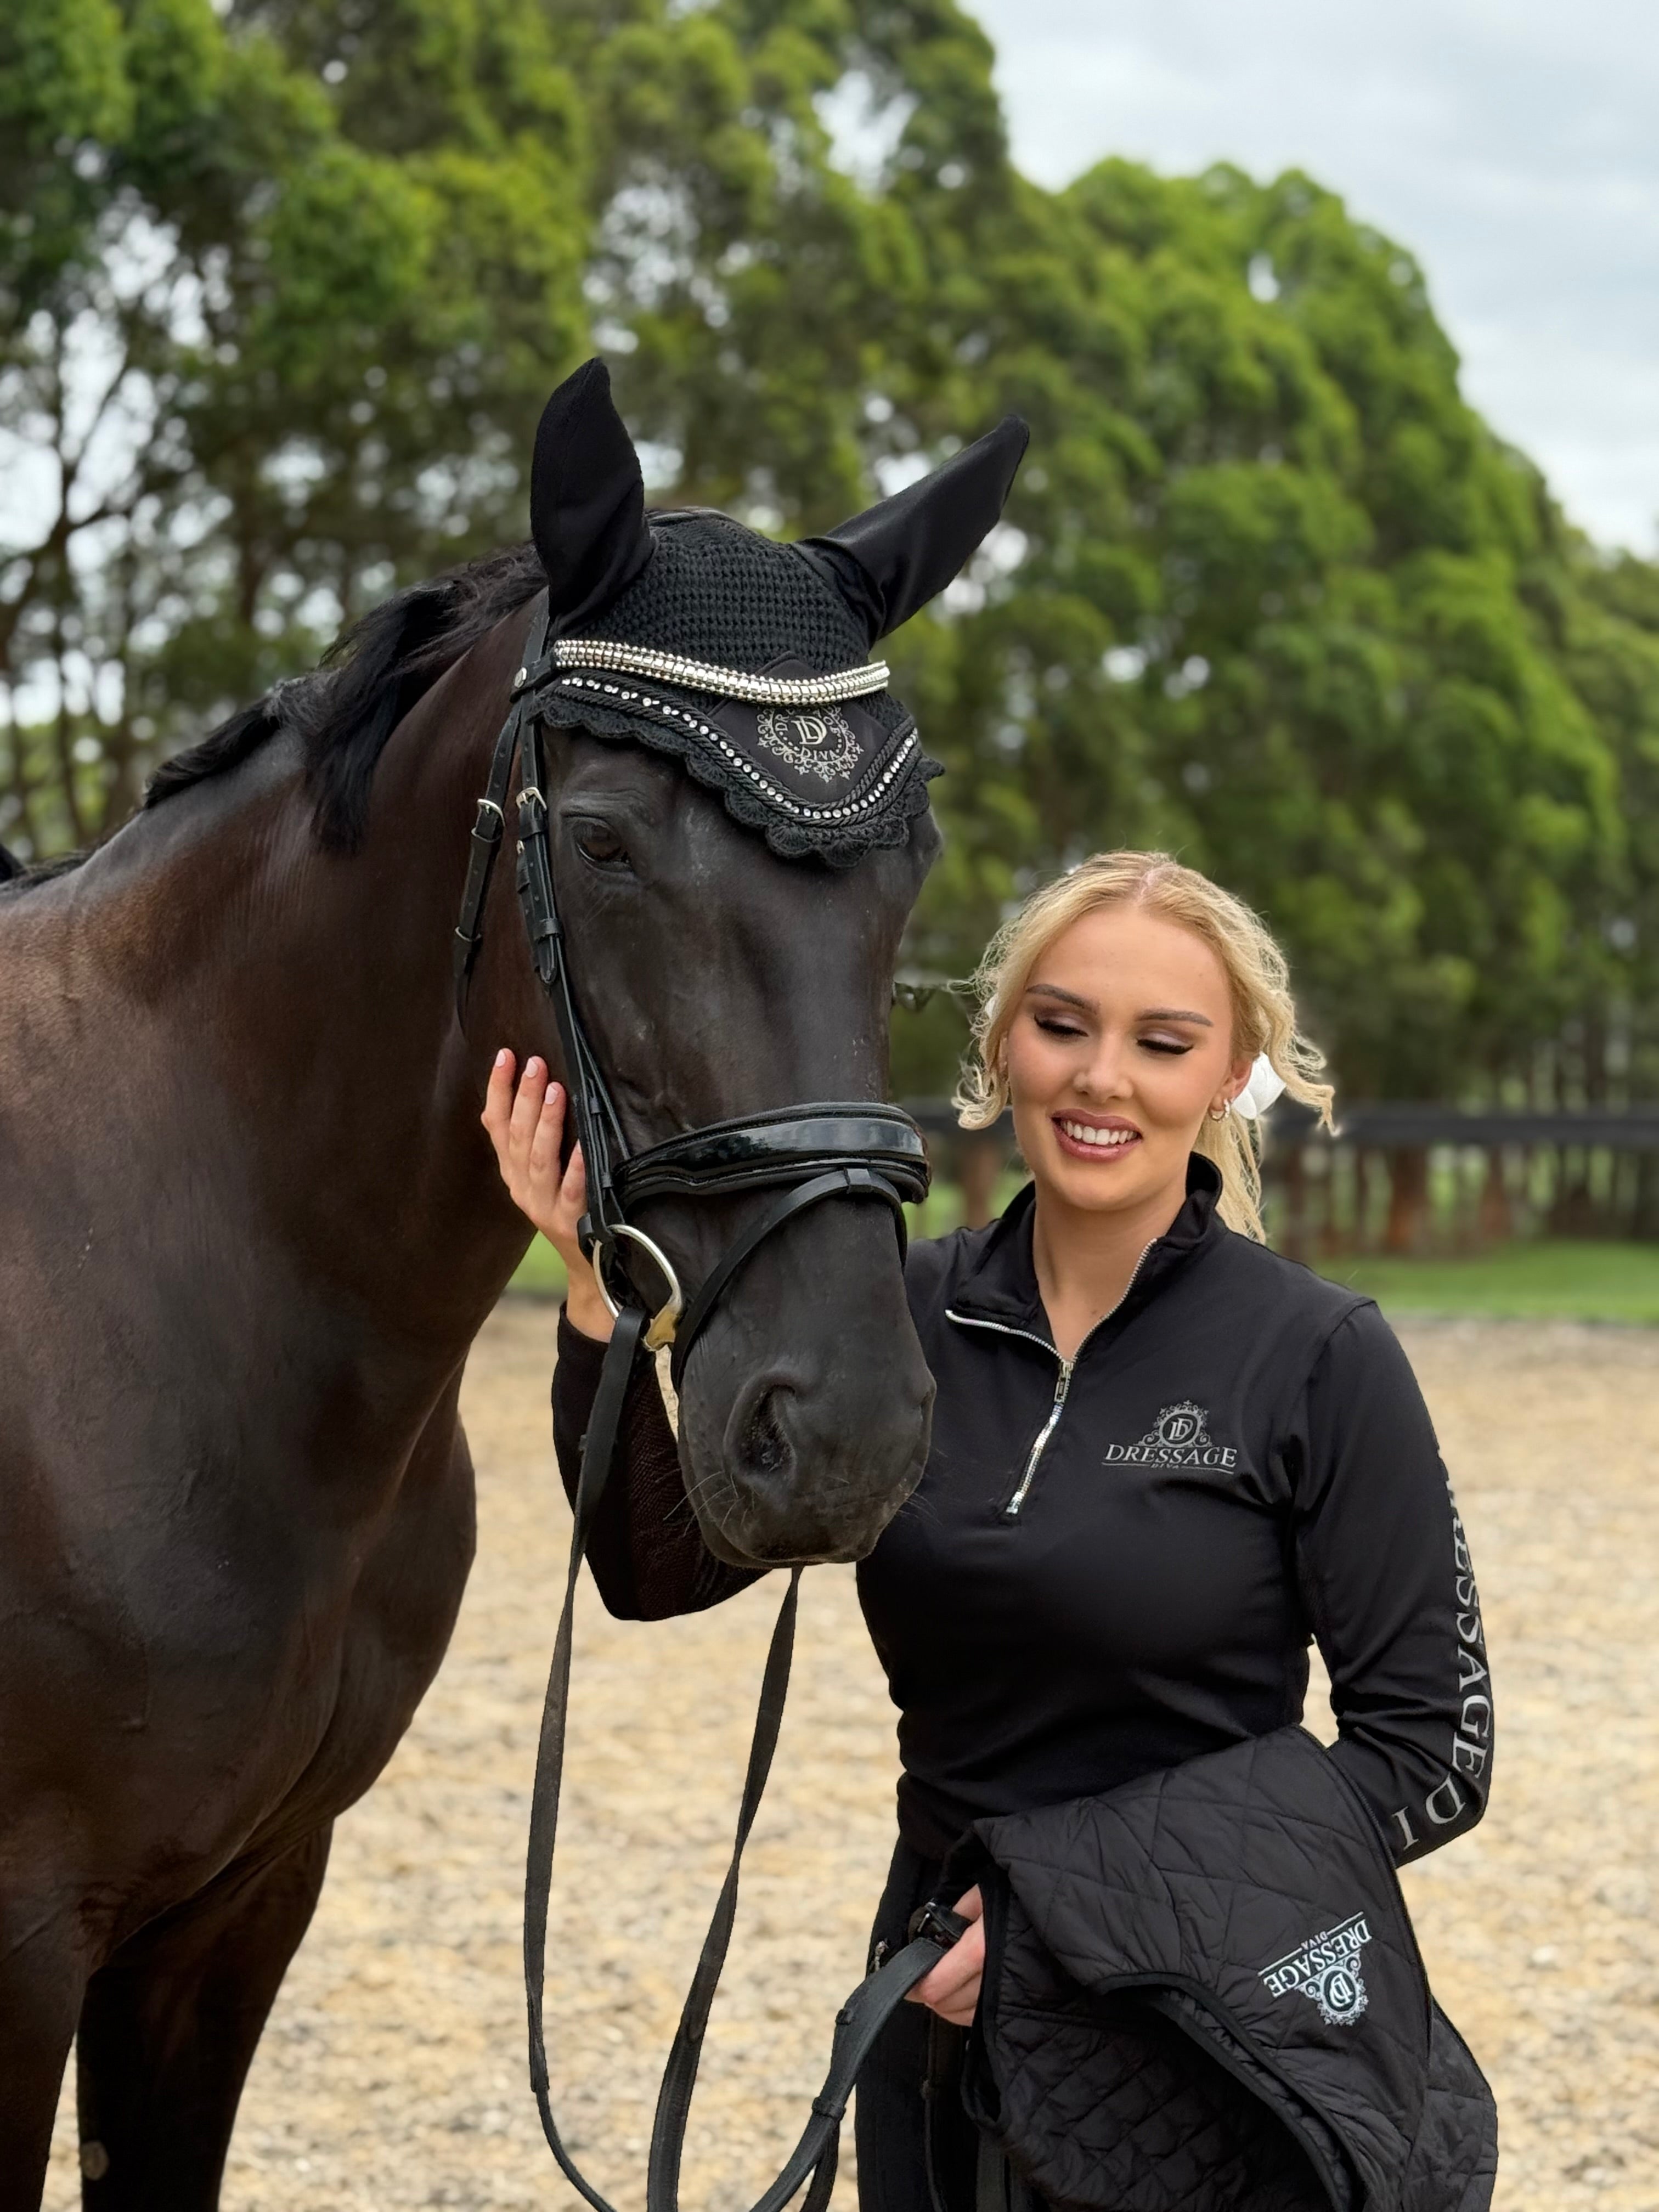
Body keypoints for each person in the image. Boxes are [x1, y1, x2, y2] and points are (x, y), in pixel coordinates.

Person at [482, 849, 1493, 2211]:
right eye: (1062, 1025)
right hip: (933, 2000)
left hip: (1211, 2017)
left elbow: (1432, 1751)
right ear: (1004, 1041)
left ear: (1228, 1069)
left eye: (1162, 1042)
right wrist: (600, 1302)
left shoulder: (1318, 1354)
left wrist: (1058, 1915)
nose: (1101, 1078)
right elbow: (660, 1570)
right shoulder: (894, 1322)